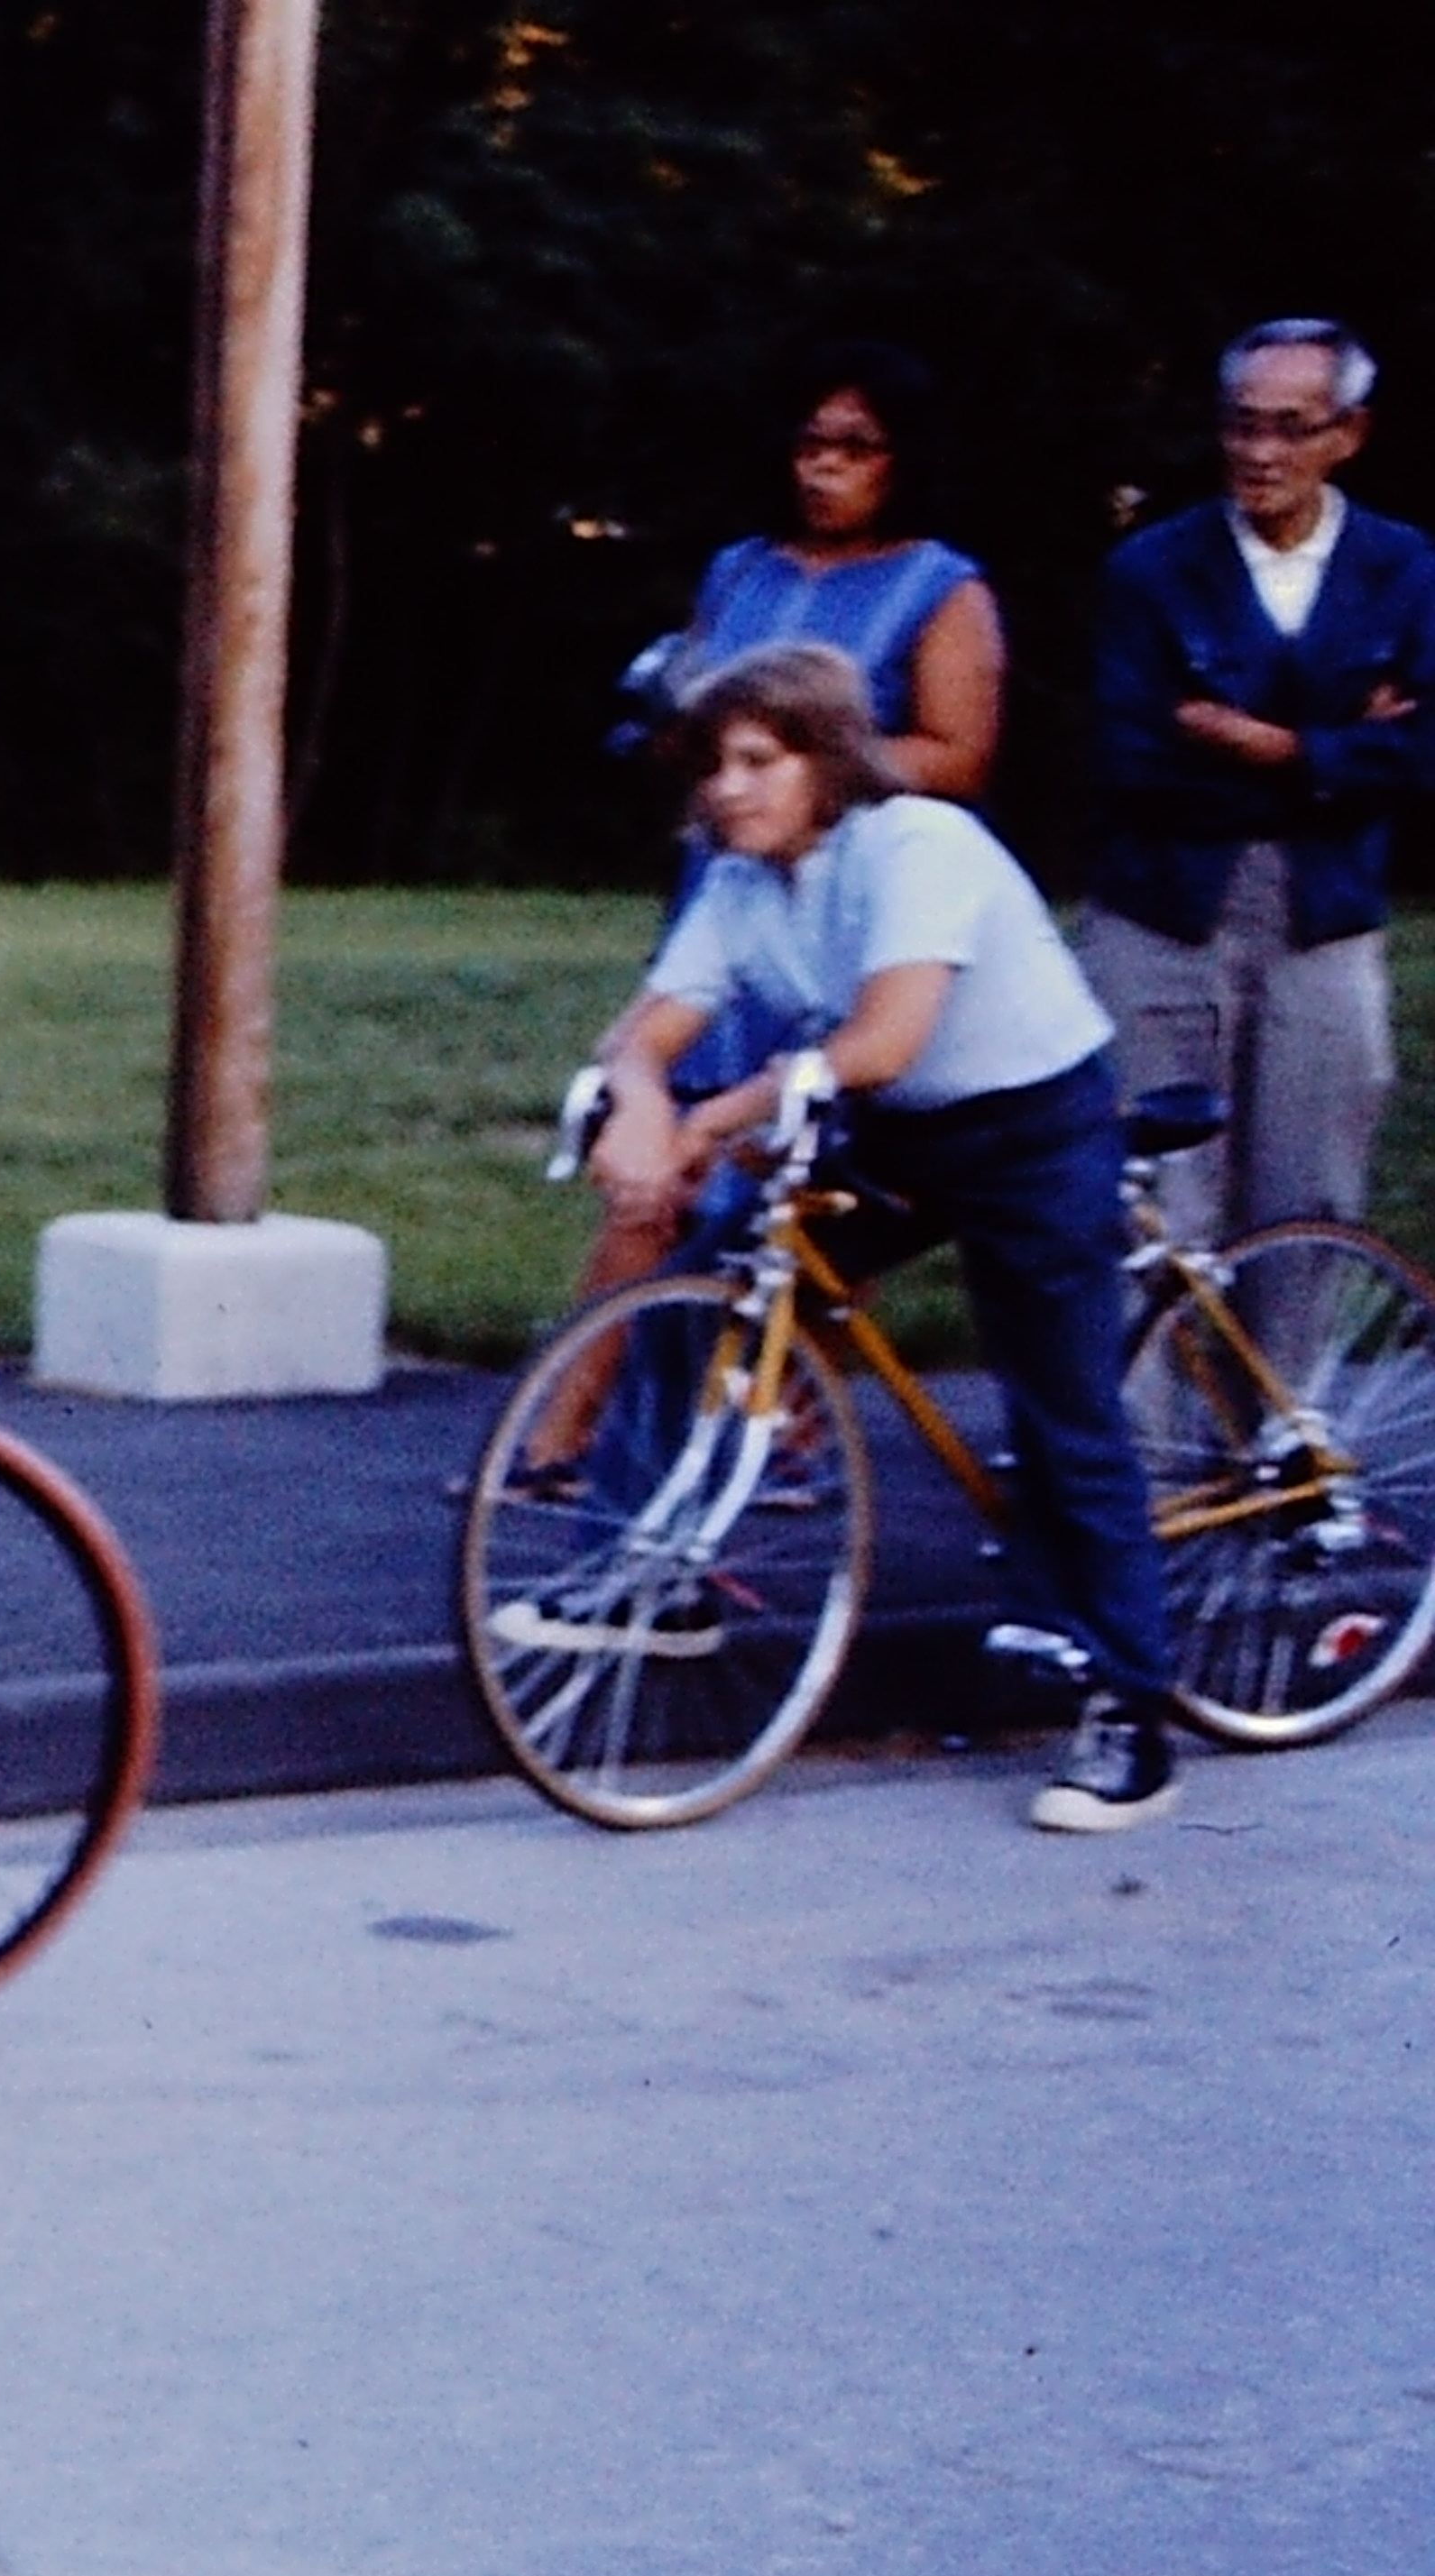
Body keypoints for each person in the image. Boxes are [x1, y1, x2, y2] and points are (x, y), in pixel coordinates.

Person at [570, 641, 1181, 1833]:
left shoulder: (917, 845)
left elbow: (886, 1040)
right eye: (712, 766)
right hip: (892, 1133)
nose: (727, 789)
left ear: (827, 762)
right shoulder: (742, 883)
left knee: (1063, 1415)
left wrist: (718, 1112)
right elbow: (640, 1036)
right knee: (703, 1294)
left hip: (1029, 1128)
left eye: (759, 761)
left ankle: (1129, 1713)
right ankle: (666, 1570)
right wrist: (643, 1103)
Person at [1079, 316, 1434, 1253]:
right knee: (1145, 1206)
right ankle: (1137, 1409)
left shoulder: (1405, 570)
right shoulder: (1154, 568)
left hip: (1324, 919)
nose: (1260, 453)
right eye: (1242, 425)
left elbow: (1424, 760)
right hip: (1160, 912)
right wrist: (1346, 756)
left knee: (1307, 1201)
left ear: (1346, 434)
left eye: (1290, 427)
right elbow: (1132, 767)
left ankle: (1285, 1406)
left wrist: (1275, 749)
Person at [642, 342, 1005, 802]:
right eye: (810, 445)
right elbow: (684, 712)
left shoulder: (944, 589)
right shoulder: (739, 569)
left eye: (857, 448)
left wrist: (801, 770)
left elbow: (959, 760)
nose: (825, 466)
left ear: (906, 460)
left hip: (857, 847)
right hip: (728, 847)